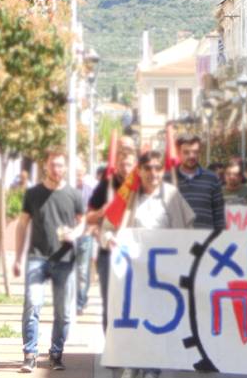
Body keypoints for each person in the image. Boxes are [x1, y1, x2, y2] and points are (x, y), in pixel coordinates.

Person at [101, 150, 195, 378]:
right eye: (148, 168)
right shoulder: (128, 197)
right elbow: (106, 229)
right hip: (133, 274)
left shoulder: (172, 196)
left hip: (163, 274)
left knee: (157, 320)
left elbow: (187, 232)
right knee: (135, 321)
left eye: (157, 168)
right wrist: (110, 240)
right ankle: (133, 364)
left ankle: (152, 367)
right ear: (140, 171)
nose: (153, 173)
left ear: (162, 171)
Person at [14, 149, 84, 372]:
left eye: (61, 165)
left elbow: (82, 222)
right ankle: (30, 354)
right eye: (53, 165)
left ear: (66, 168)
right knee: (32, 303)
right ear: (46, 165)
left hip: (64, 259)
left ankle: (56, 353)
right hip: (37, 257)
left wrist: (75, 233)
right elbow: (22, 224)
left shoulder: (73, 194)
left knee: (63, 312)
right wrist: (17, 257)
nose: (57, 169)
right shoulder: (33, 193)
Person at [87, 148, 136, 332]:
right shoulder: (105, 186)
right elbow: (89, 216)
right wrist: (102, 211)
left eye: (129, 164)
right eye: (122, 164)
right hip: (108, 252)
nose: (125, 168)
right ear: (116, 166)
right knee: (110, 301)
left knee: (133, 301)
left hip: (134, 254)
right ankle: (110, 347)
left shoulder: (140, 187)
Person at [173, 135, 225, 230]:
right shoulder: (169, 179)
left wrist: (220, 240)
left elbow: (219, 215)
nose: (192, 156)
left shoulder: (212, 178)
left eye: (195, 152)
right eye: (186, 152)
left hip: (206, 240)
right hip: (176, 239)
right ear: (178, 153)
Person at [74, 158, 95, 316]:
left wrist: (89, 229)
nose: (78, 177)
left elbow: (95, 213)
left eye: (80, 174)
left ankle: (80, 301)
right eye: (75, 174)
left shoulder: (91, 189)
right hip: (68, 235)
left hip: (85, 234)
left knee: (82, 270)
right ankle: (71, 299)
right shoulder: (67, 188)